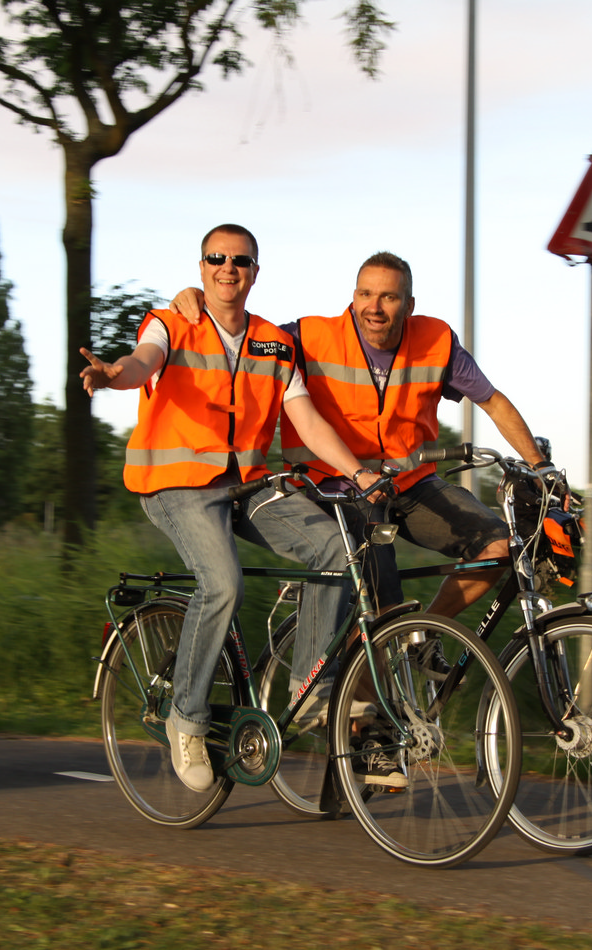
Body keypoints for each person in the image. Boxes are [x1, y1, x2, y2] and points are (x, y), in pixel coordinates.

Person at [80, 224, 385, 793]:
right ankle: (187, 718)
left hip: (244, 485)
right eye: (217, 258)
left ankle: (308, 693)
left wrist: (359, 472)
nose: (228, 268)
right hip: (174, 486)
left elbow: (307, 421)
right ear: (201, 268)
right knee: (223, 584)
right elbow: (143, 361)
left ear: (255, 273)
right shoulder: (171, 322)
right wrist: (114, 376)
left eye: (240, 260)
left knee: (334, 551)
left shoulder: (273, 343)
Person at [170, 250, 549, 620]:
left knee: (499, 547)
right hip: (336, 487)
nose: (375, 307)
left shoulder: (437, 341)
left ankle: (424, 635)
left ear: (409, 305)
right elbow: (238, 337)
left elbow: (493, 402)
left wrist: (540, 467)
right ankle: (382, 645)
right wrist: (204, 300)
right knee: (385, 608)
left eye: (389, 297)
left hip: (411, 484)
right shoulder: (308, 336)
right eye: (366, 294)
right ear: (353, 297)